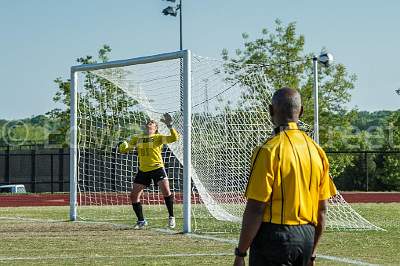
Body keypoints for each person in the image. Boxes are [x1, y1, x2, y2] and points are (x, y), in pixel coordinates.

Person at [233, 87, 337, 266]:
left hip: (274, 237)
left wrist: (241, 253)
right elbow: (322, 210)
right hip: (307, 237)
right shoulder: (317, 151)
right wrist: (312, 252)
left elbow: (256, 208)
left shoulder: (268, 151)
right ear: (301, 111)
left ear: (271, 111)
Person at [118, 113, 179, 229]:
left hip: (157, 168)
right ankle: (141, 221)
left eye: (152, 124)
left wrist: (170, 126)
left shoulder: (158, 137)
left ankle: (171, 217)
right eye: (148, 123)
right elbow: (127, 149)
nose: (149, 124)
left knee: (166, 192)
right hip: (143, 170)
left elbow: (174, 138)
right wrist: (123, 147)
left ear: (156, 128)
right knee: (134, 196)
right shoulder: (138, 138)